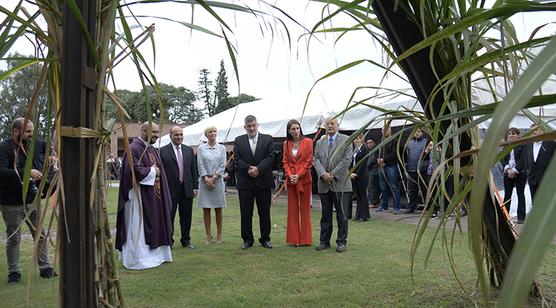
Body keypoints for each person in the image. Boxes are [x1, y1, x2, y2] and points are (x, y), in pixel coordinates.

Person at [0, 118, 57, 283]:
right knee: (14, 238)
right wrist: (27, 172)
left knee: (40, 234)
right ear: (16, 131)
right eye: (28, 132)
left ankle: (45, 268)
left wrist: (52, 156)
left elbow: (48, 148)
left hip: (32, 199)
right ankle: (14, 273)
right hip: (11, 201)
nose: (31, 135)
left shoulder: (34, 143)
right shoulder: (4, 148)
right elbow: (2, 172)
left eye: (32, 131)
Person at [115, 122, 173, 270]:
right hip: (138, 198)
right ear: (143, 131)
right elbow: (132, 171)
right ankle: (139, 259)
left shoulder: (151, 149)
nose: (156, 135)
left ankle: (158, 256)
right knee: (138, 227)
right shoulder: (134, 149)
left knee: (155, 223)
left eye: (157, 132)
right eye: (153, 132)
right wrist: (152, 171)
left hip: (153, 196)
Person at [233, 115, 274, 249]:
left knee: (264, 212)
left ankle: (265, 239)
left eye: (253, 125)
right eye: (249, 126)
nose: (251, 128)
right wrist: (249, 169)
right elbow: (237, 159)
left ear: (257, 125)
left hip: (263, 182)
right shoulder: (238, 140)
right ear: (245, 127)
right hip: (245, 182)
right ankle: (247, 240)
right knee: (246, 213)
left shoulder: (268, 139)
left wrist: (259, 169)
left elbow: (270, 157)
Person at [313, 116, 353, 253]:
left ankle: (341, 242)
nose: (330, 126)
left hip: (340, 184)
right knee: (325, 215)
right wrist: (324, 174)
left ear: (338, 125)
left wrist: (333, 174)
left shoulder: (346, 140)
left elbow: (347, 160)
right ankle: (324, 241)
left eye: (332, 123)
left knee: (341, 215)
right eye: (328, 124)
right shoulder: (320, 142)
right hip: (324, 184)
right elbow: (316, 160)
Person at [160, 126, 198, 249]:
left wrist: (195, 187)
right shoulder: (162, 151)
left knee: (186, 217)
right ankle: (168, 241)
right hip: (170, 190)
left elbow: (193, 169)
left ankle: (186, 240)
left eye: (181, 134)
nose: (179, 137)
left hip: (186, 189)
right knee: (169, 216)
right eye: (176, 135)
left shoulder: (188, 150)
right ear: (170, 135)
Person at [282, 119, 313, 247]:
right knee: (292, 209)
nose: (296, 131)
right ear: (289, 131)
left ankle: (305, 239)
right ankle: (294, 239)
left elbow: (308, 161)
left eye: (298, 128)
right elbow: (285, 161)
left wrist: (298, 175)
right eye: (293, 129)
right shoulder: (286, 143)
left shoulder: (308, 142)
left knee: (305, 209)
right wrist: (290, 175)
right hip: (291, 180)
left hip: (305, 179)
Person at [197, 126, 227, 245]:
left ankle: (219, 234)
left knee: (218, 209)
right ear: (206, 135)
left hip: (218, 181)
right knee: (206, 209)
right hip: (204, 181)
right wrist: (206, 178)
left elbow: (222, 165)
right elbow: (199, 164)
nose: (213, 133)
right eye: (210, 132)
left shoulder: (222, 148)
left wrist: (214, 178)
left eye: (214, 131)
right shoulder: (201, 148)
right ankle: (208, 235)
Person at [501, 128, 527, 224]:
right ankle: (505, 216)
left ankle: (521, 217)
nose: (511, 135)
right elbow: (502, 159)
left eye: (513, 133)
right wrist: (508, 169)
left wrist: (515, 171)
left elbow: (523, 160)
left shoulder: (522, 146)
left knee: (520, 194)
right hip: (508, 174)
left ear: (518, 135)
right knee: (507, 195)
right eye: (509, 134)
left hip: (520, 173)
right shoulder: (505, 147)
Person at [525, 124, 556, 200]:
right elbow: (526, 160)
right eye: (532, 131)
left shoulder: (551, 144)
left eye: (536, 130)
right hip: (532, 180)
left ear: (542, 131)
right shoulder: (528, 145)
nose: (534, 132)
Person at [376, 125, 401, 214]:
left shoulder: (394, 140)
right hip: (381, 166)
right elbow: (376, 152)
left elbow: (394, 154)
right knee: (383, 187)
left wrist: (384, 159)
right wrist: (378, 160)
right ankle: (384, 206)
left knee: (394, 187)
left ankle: (396, 207)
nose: (384, 131)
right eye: (383, 130)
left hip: (391, 166)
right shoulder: (381, 141)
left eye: (386, 129)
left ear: (390, 130)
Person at [403, 128, 429, 214]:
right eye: (415, 131)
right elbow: (407, 155)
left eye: (418, 131)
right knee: (412, 190)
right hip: (411, 170)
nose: (416, 133)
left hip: (422, 170)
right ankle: (411, 208)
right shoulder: (409, 142)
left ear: (422, 133)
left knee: (425, 190)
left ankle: (428, 208)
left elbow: (428, 155)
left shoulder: (426, 141)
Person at [350, 133, 370, 221]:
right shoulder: (353, 150)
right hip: (354, 175)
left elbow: (363, 163)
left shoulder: (364, 149)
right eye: (355, 139)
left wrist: (357, 173)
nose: (356, 140)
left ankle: (364, 215)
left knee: (363, 194)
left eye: (358, 138)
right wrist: (351, 172)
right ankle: (358, 215)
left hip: (362, 175)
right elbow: (351, 162)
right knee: (358, 195)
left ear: (362, 139)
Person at [366, 138, 380, 207]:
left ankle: (374, 202)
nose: (369, 144)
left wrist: (367, 165)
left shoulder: (375, 150)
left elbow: (374, 159)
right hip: (370, 170)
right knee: (371, 186)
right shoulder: (369, 151)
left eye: (370, 142)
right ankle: (372, 201)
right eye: (367, 143)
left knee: (372, 186)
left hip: (374, 169)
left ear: (374, 143)